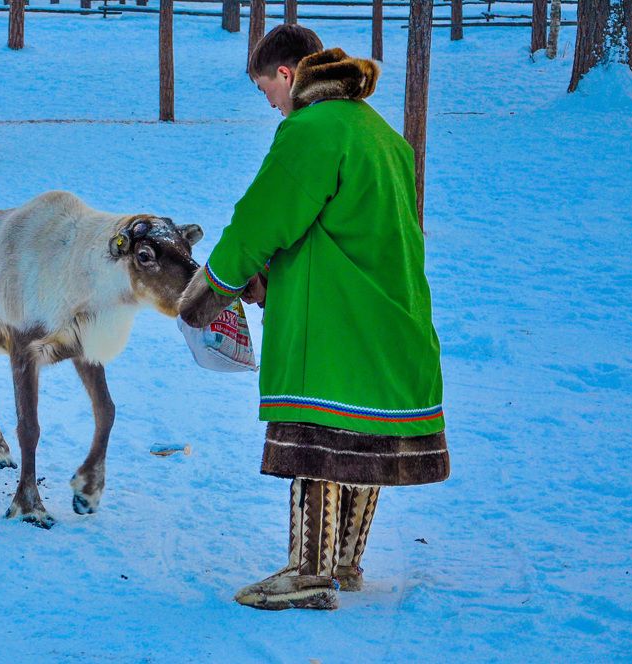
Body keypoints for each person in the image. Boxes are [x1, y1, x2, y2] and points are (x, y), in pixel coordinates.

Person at [178, 24, 449, 611]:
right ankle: (345, 563)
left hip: (335, 320)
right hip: (391, 311)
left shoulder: (311, 130)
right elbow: (350, 228)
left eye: (265, 90)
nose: (271, 104)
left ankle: (308, 573)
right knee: (362, 435)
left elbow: (261, 220)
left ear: (287, 74)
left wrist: (208, 294)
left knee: (317, 439)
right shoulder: (380, 133)